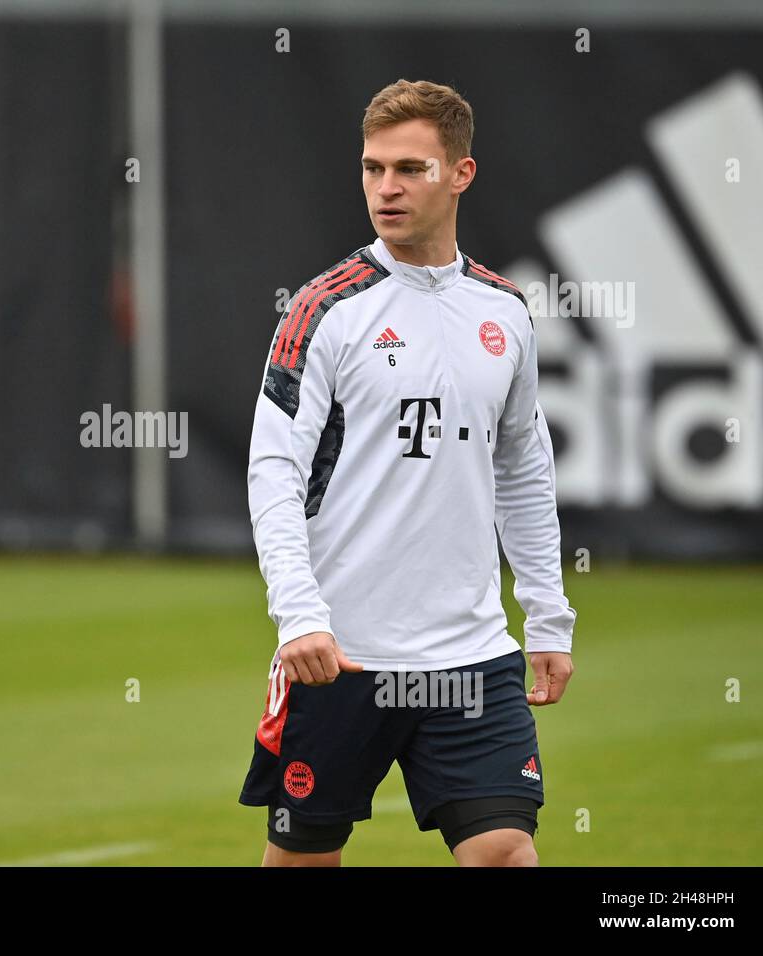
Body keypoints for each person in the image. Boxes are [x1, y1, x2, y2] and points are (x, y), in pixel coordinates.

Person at [238, 79, 576, 867]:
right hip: (341, 656)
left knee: (505, 854)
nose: (385, 189)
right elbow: (272, 468)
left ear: (460, 174)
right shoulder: (325, 310)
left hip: (472, 655)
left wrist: (547, 614)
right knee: (303, 860)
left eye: (410, 169)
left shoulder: (505, 310)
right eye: (372, 168)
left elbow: (524, 463)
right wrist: (299, 616)